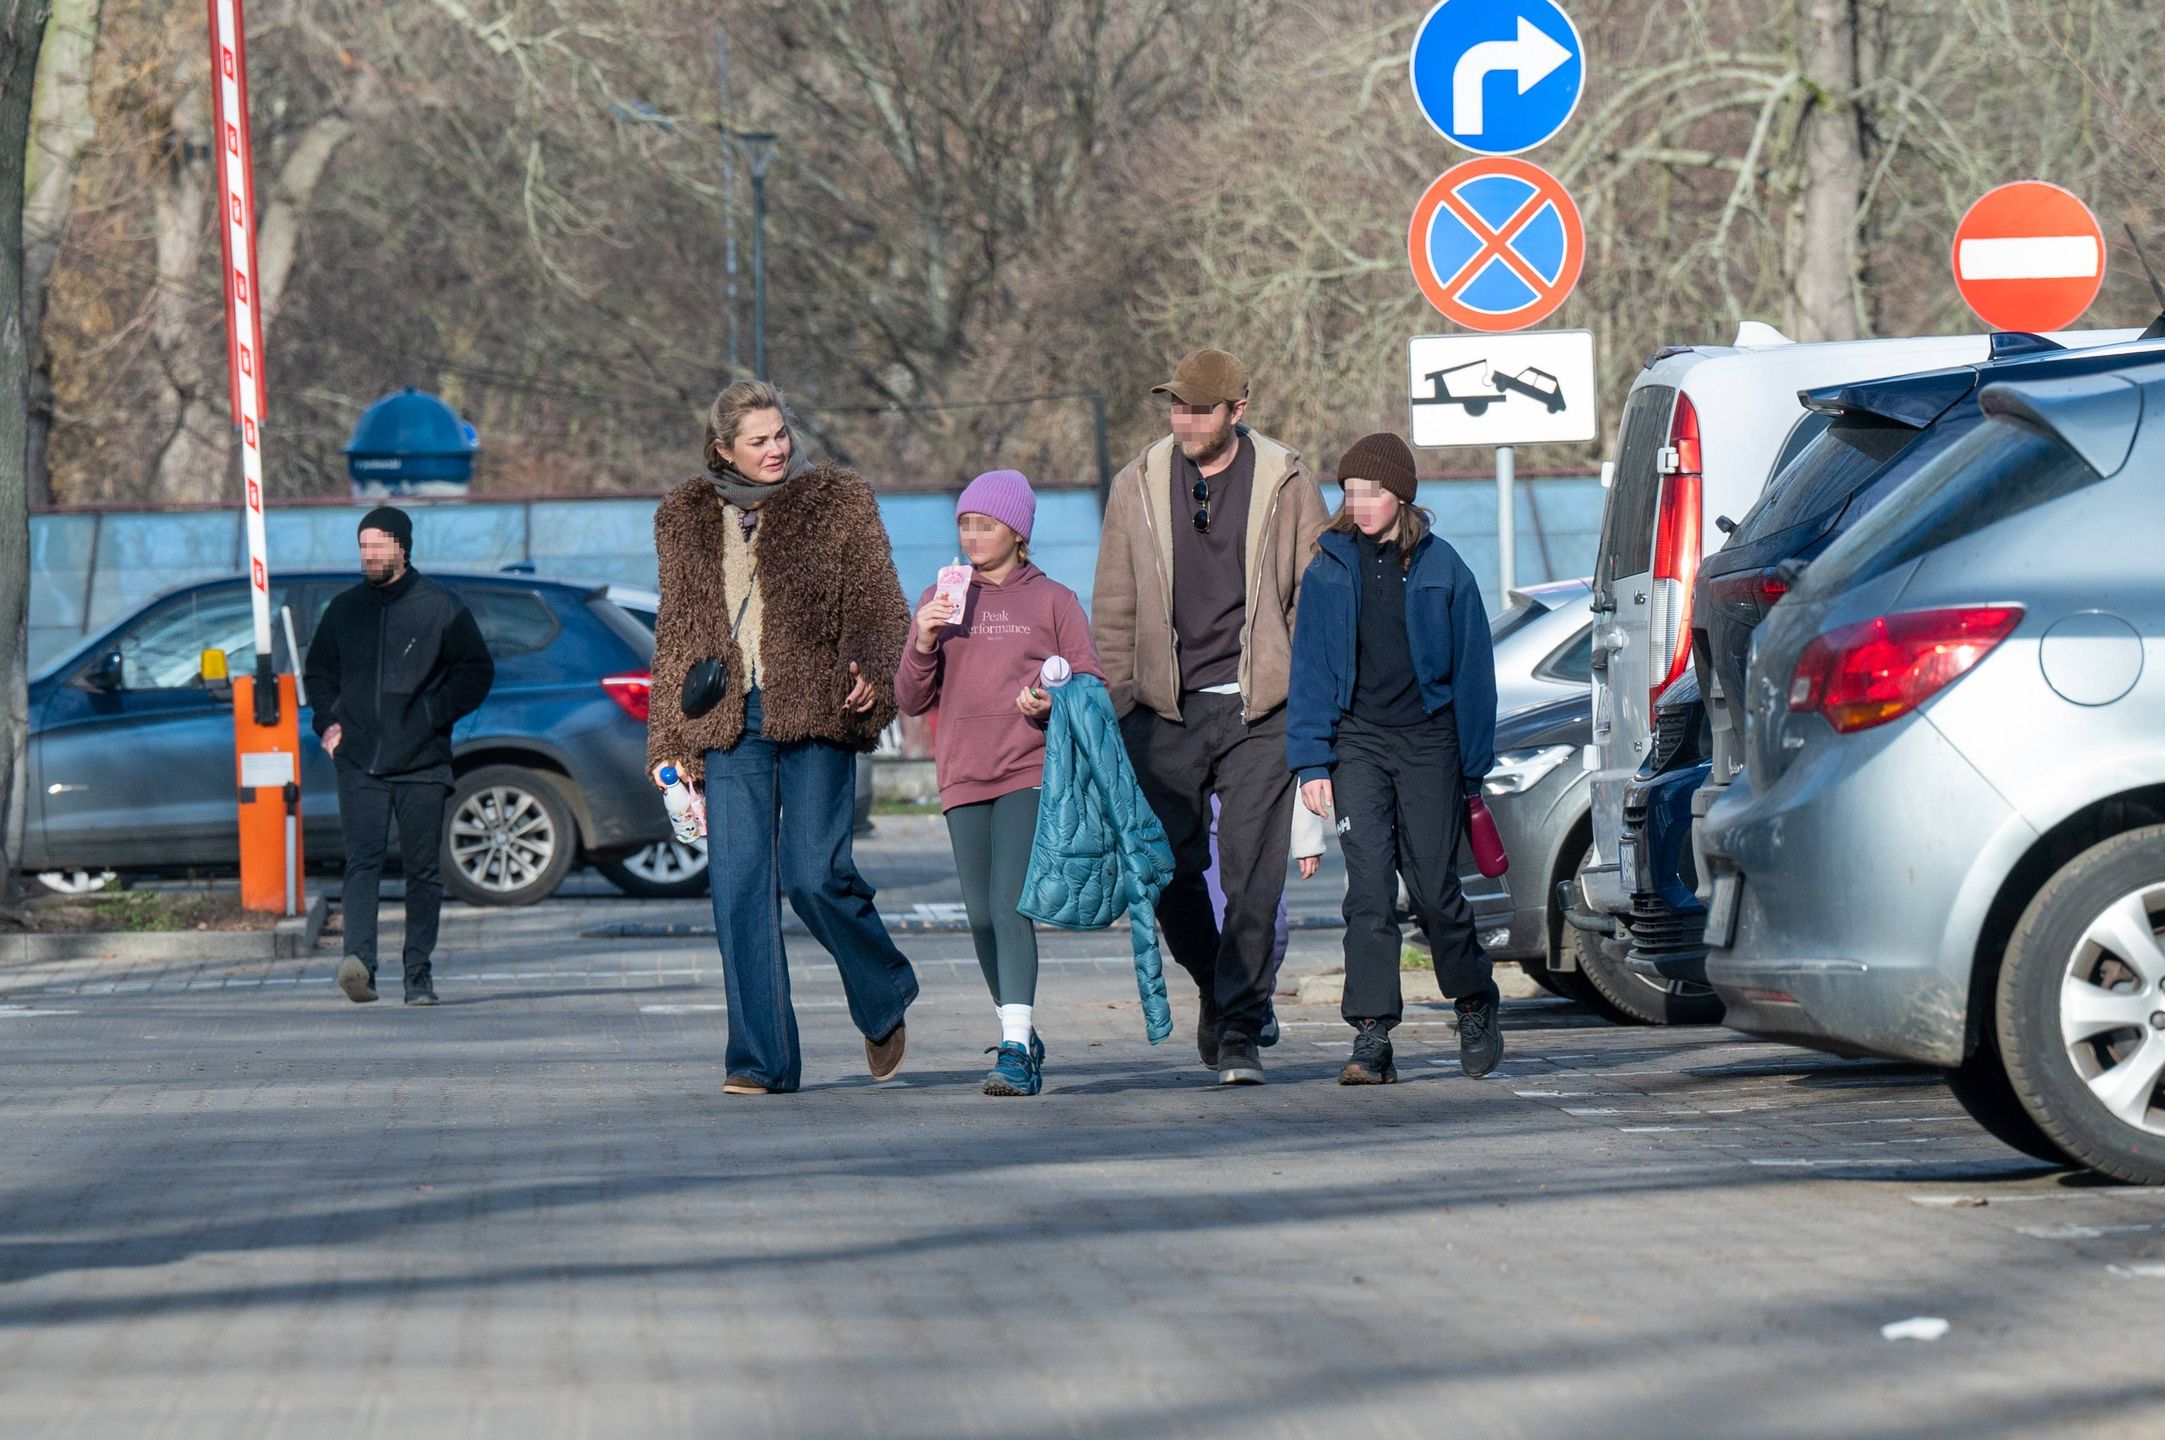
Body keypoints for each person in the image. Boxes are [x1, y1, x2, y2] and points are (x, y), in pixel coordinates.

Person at [646, 380, 918, 1096]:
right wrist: (670, 741)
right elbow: (676, 631)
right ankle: (760, 1060)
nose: (775, 449)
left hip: (818, 706)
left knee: (811, 875)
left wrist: (871, 669)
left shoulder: (838, 500)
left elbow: (880, 602)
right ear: (723, 449)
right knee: (737, 885)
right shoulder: (683, 516)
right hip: (731, 721)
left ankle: (882, 989)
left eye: (780, 435)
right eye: (758, 440)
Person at [1092, 348, 1329, 1085]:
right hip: (1165, 710)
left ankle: (1238, 1033)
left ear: (1237, 410)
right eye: (1176, 406)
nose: (1184, 420)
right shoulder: (1137, 481)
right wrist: (1122, 700)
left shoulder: (1286, 479)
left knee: (1254, 875)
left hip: (1260, 709)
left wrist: (1301, 695)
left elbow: (1310, 599)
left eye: (1199, 408)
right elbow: (1114, 600)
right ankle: (1219, 987)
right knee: (1167, 870)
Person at [1286, 432, 1502, 1084]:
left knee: (1435, 890)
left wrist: (1472, 764)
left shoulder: (1443, 568)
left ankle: (1472, 1000)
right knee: (1369, 892)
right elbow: (1311, 670)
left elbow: (1473, 672)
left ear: (1399, 494)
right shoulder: (1327, 567)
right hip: (1357, 743)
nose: (1360, 503)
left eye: (1372, 492)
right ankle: (1372, 1038)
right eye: (1350, 491)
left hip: (1429, 742)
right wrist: (1311, 762)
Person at [895, 470, 1103, 1096]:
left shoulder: (1054, 601)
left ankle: (1014, 1048)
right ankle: (1021, 1033)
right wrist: (924, 636)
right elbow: (910, 698)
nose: (972, 535)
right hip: (961, 772)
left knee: (1011, 906)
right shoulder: (943, 595)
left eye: (985, 524)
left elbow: (1091, 686)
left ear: (1017, 532)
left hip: (1027, 770)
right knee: (981, 916)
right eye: (965, 524)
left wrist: (1050, 701)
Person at [306, 506, 494, 1007]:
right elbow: (319, 674)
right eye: (363, 545)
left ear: (403, 547)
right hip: (359, 759)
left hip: (423, 761)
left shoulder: (440, 607)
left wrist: (433, 713)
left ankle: (419, 975)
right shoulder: (345, 610)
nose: (369, 554)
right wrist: (327, 722)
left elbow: (475, 672)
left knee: (422, 870)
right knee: (362, 862)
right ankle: (359, 965)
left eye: (379, 544)